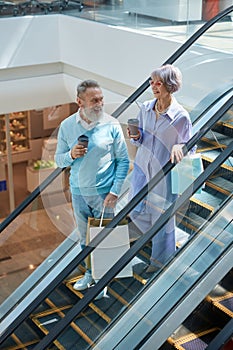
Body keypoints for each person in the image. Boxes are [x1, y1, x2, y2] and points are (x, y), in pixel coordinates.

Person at [55, 79, 129, 298]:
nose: (99, 104)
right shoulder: (67, 126)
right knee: (84, 239)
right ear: (80, 102)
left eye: (101, 99)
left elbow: (123, 161)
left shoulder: (112, 124)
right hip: (78, 193)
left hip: (105, 194)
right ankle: (89, 273)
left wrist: (115, 191)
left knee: (104, 238)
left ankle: (101, 280)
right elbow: (58, 160)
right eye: (94, 100)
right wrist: (71, 155)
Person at [128, 64, 194, 273]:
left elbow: (189, 148)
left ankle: (160, 264)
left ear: (170, 85)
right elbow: (140, 142)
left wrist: (179, 146)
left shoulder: (181, 116)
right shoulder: (145, 108)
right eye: (152, 81)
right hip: (141, 171)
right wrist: (136, 137)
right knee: (134, 210)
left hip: (163, 176)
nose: (153, 86)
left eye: (159, 83)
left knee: (161, 220)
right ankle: (173, 234)